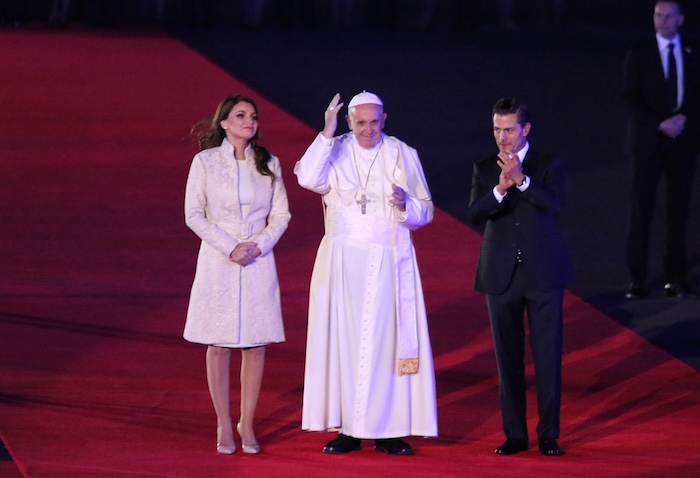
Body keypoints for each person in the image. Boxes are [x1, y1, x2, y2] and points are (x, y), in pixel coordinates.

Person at [295, 91, 438, 456]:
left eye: (374, 122)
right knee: (343, 344)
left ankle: (388, 430)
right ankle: (348, 430)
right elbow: (308, 178)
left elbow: (426, 210)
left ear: (384, 120)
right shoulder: (335, 148)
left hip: (388, 262)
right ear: (349, 122)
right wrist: (326, 133)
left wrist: (407, 205)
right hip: (342, 262)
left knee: (384, 346)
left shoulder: (402, 153)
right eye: (360, 122)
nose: (368, 129)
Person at [183, 95, 291, 455]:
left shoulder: (268, 163)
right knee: (219, 343)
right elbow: (194, 213)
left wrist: (258, 245)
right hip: (220, 258)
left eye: (253, 116)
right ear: (224, 123)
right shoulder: (206, 162)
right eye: (241, 115)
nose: (249, 121)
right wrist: (230, 246)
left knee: (255, 343)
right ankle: (223, 422)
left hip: (258, 260)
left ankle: (247, 422)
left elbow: (281, 216)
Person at [468, 98, 574, 456]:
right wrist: (499, 188)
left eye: (509, 129)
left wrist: (523, 181)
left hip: (543, 272)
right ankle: (515, 434)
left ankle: (548, 434)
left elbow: (556, 205)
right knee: (507, 358)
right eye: (497, 129)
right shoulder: (483, 168)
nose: (502, 137)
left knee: (547, 356)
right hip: (500, 275)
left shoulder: (547, 164)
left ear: (525, 129)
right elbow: (474, 214)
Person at [623, 0, 699, 300]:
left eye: (668, 16)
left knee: (678, 212)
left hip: (683, 142)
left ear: (680, 19)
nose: (662, 21)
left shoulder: (694, 52)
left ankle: (675, 277)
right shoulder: (639, 51)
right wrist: (660, 124)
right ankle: (636, 280)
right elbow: (629, 96)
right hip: (647, 143)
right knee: (641, 211)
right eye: (658, 15)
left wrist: (684, 119)